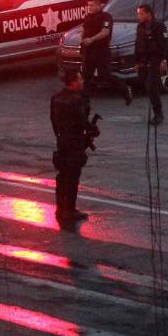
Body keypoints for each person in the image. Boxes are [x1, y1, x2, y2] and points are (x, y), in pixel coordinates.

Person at [50, 69, 92, 230]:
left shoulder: (56, 98)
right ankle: (70, 209)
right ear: (73, 82)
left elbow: (52, 120)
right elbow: (81, 121)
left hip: (62, 140)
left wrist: (60, 135)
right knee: (73, 175)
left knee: (62, 175)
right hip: (74, 141)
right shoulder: (76, 100)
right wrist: (93, 129)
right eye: (79, 79)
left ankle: (60, 208)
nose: (82, 82)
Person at [79, 0, 131, 105]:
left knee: (105, 75)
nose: (89, 7)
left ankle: (125, 89)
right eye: (88, 5)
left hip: (101, 51)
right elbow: (83, 30)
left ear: (99, 6)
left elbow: (105, 32)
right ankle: (84, 103)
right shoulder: (88, 17)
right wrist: (82, 40)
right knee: (86, 77)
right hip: (88, 52)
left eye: (92, 5)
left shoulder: (106, 17)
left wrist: (91, 39)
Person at [134, 3, 167, 125]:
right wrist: (137, 61)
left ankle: (158, 113)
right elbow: (138, 44)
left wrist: (163, 60)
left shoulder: (158, 26)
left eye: (141, 14)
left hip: (155, 59)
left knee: (151, 86)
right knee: (148, 87)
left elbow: (164, 43)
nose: (139, 16)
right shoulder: (140, 27)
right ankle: (157, 111)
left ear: (148, 14)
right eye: (138, 14)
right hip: (143, 60)